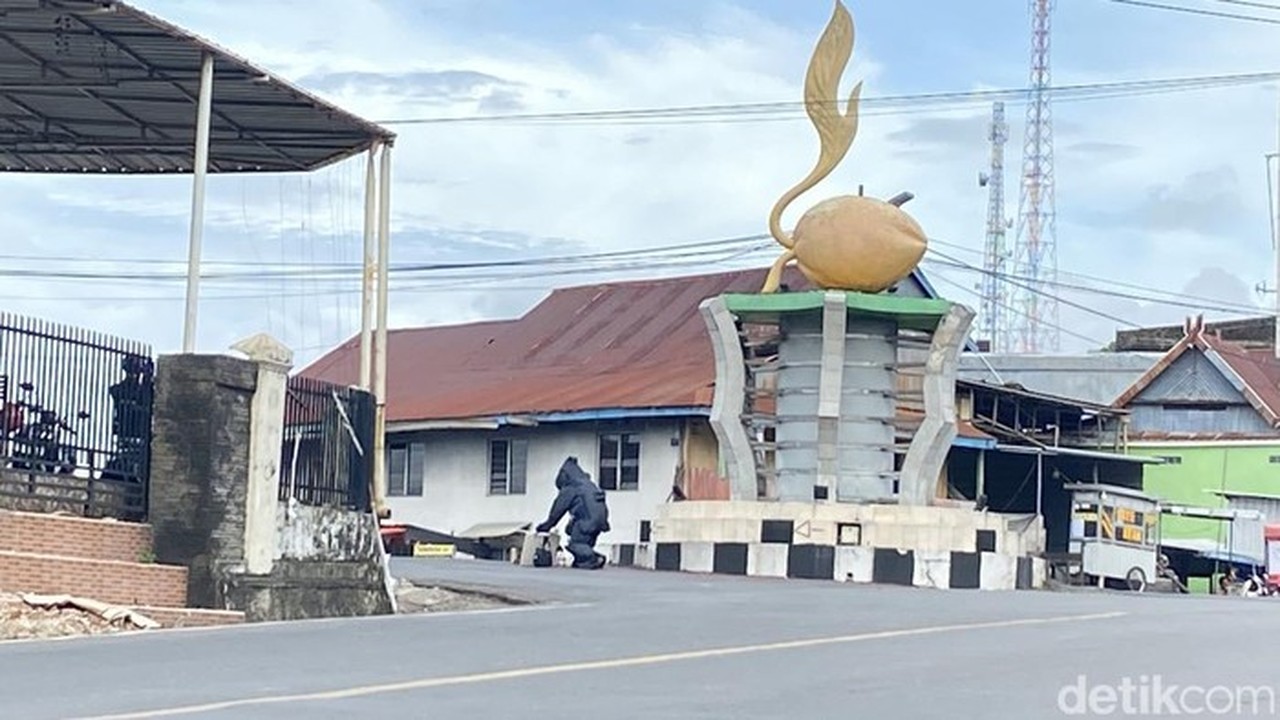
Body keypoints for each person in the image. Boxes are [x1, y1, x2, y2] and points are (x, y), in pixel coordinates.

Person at [535, 456, 610, 569]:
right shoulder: (588, 485)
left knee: (575, 544)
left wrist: (546, 526)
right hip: (599, 520)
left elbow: (557, 511)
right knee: (581, 540)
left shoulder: (572, 487)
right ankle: (586, 560)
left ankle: (593, 558)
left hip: (586, 521)